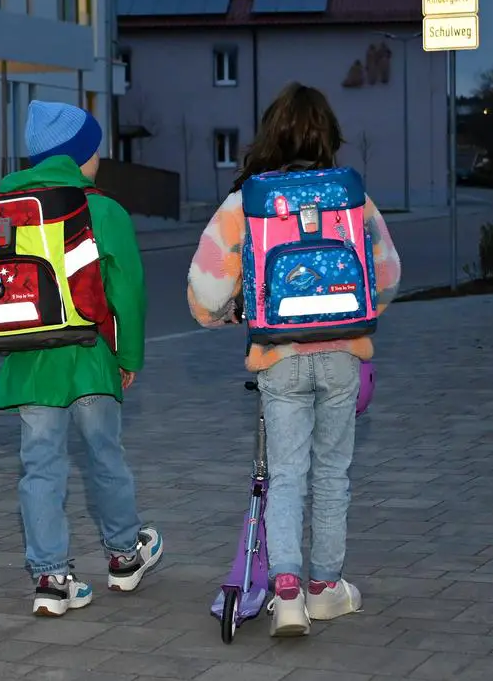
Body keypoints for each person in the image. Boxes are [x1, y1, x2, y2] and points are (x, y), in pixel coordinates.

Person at [186, 82, 402, 636]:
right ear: (328, 136)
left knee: (285, 476)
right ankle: (326, 587)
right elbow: (388, 274)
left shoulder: (247, 202)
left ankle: (285, 593)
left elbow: (204, 293)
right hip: (342, 354)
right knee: (332, 473)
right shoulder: (351, 196)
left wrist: (234, 315)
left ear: (269, 135)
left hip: (277, 358)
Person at [0, 100, 163, 617]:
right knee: (104, 457)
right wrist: (128, 356)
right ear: (78, 155)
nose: (98, 160)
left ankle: (51, 578)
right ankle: (124, 555)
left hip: (29, 359)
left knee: (39, 467)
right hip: (91, 357)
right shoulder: (103, 210)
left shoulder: (3, 208)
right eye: (93, 151)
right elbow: (127, 291)